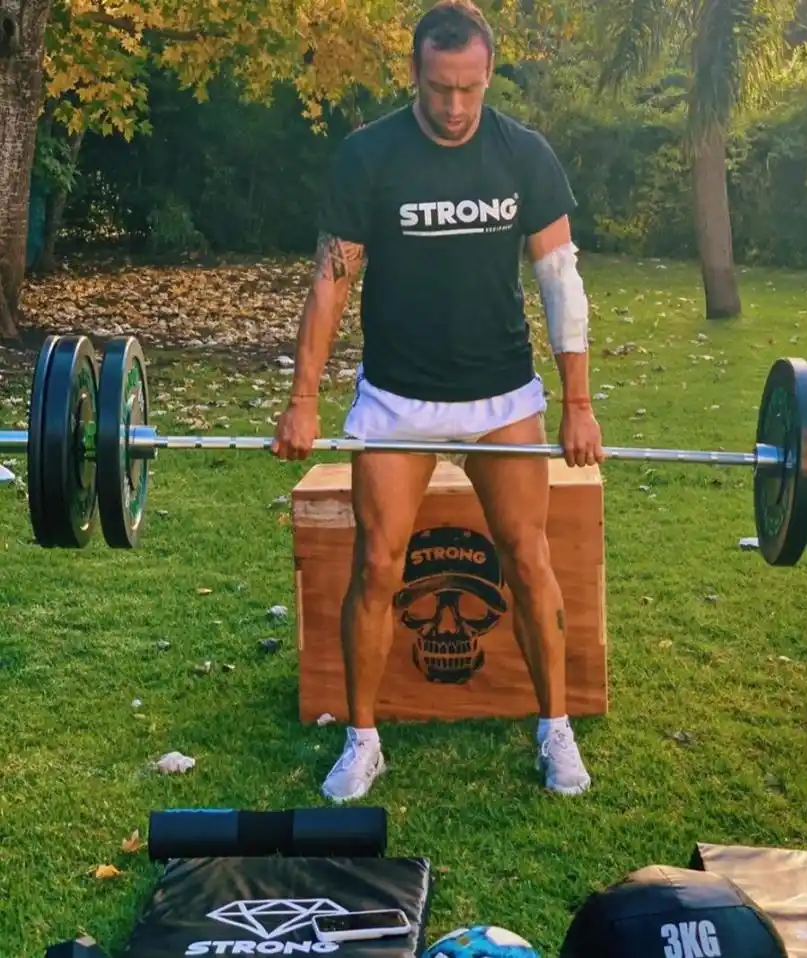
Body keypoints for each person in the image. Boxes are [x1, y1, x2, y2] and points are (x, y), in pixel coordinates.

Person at [271, 0, 605, 803]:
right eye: (437, 89)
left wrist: (578, 401)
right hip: (396, 398)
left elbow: (560, 279)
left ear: (490, 74)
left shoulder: (523, 155)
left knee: (529, 558)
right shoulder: (369, 156)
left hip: (500, 395)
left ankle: (553, 729)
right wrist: (303, 399)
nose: (454, 107)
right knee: (377, 565)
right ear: (414, 75)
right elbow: (331, 281)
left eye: (469, 89)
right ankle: (362, 739)